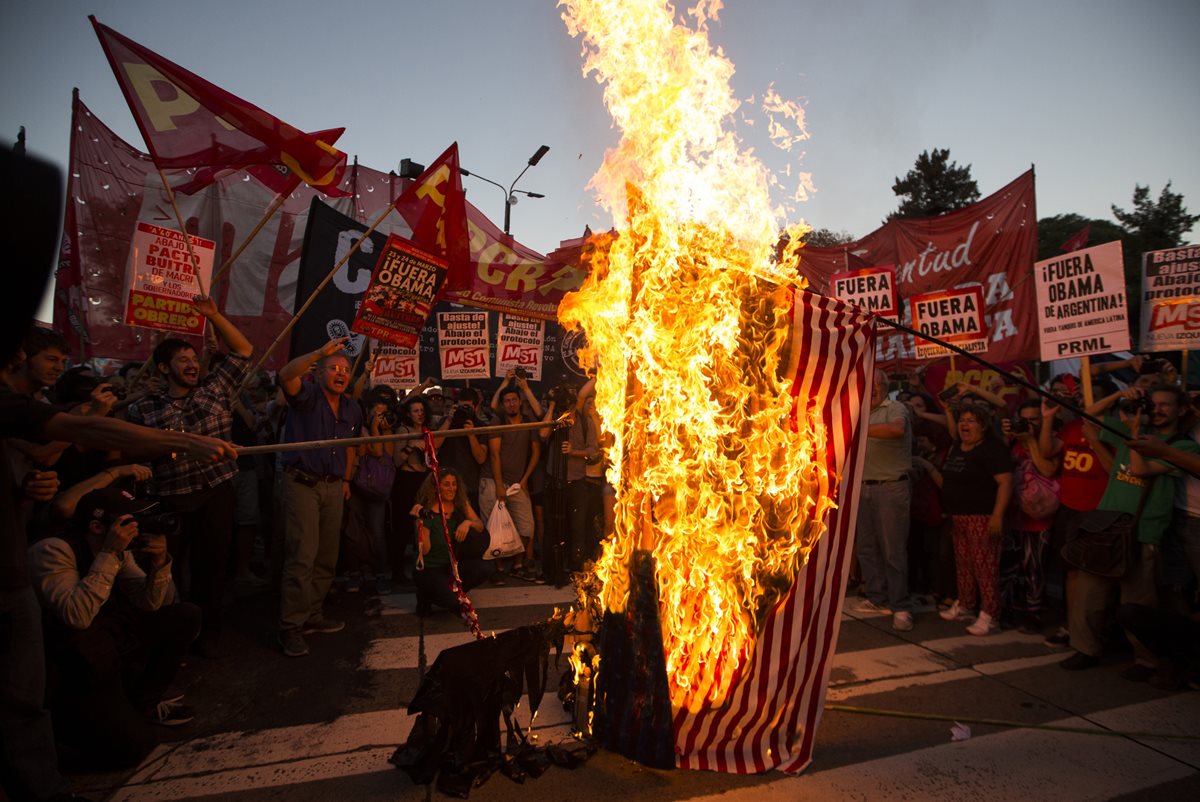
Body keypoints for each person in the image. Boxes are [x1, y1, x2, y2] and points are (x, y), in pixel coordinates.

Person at [29, 487, 201, 768]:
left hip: (107, 645)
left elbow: (150, 604)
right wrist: (109, 553)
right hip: (73, 665)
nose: (135, 528)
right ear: (97, 526)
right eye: (128, 522)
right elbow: (77, 616)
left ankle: (141, 703)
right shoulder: (52, 551)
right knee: (134, 749)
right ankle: (59, 744)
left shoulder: (119, 551)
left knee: (185, 615)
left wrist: (160, 563)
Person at [126, 295, 252, 658]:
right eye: (182, 360)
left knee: (210, 568)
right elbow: (135, 453)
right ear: (163, 369)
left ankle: (208, 633)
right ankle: (171, 635)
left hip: (215, 493)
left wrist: (215, 315)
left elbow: (243, 350)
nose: (192, 364)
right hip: (171, 496)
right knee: (165, 567)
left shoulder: (216, 391)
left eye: (193, 358)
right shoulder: (143, 408)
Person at [1060, 384, 1200, 675]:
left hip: (1143, 531)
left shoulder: (1182, 446)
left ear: (1181, 410)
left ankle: (1145, 660)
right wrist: (1120, 397)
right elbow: (1087, 415)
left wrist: (1134, 432)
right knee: (1090, 594)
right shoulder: (1131, 429)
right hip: (1107, 526)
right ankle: (1085, 649)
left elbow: (1139, 469)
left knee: (1138, 601)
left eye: (1165, 405)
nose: (1157, 410)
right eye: (1153, 403)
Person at [276, 338, 363, 658]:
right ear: (319, 372)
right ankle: (291, 626)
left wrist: (346, 480)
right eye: (334, 368)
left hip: (333, 485)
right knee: (302, 555)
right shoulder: (307, 395)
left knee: (327, 555)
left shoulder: (353, 407)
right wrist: (317, 351)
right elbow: (285, 375)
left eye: (345, 369)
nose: (340, 374)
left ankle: (313, 613)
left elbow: (350, 445)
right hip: (302, 483)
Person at [937, 402, 1013, 635]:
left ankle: (990, 614)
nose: (964, 425)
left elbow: (1005, 483)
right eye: (962, 420)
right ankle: (967, 604)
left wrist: (997, 516)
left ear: (983, 426)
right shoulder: (958, 446)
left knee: (984, 566)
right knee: (964, 564)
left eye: (970, 421)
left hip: (983, 517)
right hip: (958, 516)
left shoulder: (992, 449)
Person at [854, 369, 916, 631]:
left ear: (886, 386)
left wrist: (859, 428)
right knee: (866, 547)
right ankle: (877, 597)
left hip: (890, 488)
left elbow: (896, 430)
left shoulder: (896, 408)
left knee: (893, 549)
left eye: (878, 385)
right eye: (870, 385)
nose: (874, 389)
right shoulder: (859, 411)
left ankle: (900, 606)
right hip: (863, 488)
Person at [1000, 399, 1059, 630]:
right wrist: (1008, 438)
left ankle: (1035, 614)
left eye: (1034, 419)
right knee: (1012, 566)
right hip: (1014, 515)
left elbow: (1048, 469)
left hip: (1039, 517)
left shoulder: (1050, 441)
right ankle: (1012, 609)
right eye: (1023, 419)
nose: (1028, 423)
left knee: (1035, 568)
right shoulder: (1014, 441)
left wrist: (1031, 441)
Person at [411, 468, 493, 615]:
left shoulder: (460, 503)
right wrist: (420, 524)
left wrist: (468, 523)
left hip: (451, 566)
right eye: (446, 484)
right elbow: (425, 551)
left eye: (454, 484)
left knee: (484, 568)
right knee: (451, 602)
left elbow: (479, 526)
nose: (452, 488)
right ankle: (426, 596)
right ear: (436, 487)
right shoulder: (428, 512)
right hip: (430, 569)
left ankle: (456, 594)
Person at [480, 385, 541, 581]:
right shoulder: (498, 420)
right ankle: (498, 569)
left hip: (517, 482)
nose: (511, 403)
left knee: (526, 526)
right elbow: (494, 454)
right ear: (503, 404)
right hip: (492, 480)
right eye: (507, 401)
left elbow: (536, 452)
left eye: (514, 400)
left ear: (520, 402)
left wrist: (524, 480)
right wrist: (499, 485)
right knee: (493, 528)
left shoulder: (528, 421)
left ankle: (518, 564)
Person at [346, 398, 395, 594]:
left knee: (377, 532)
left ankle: (380, 574)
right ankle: (354, 573)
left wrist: (379, 429)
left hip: (377, 488)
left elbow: (384, 454)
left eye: (383, 413)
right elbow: (374, 451)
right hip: (357, 484)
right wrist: (373, 427)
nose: (380, 417)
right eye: (377, 412)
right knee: (353, 530)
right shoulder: (358, 428)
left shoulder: (387, 431)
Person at [390, 395, 433, 586]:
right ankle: (397, 572)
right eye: (416, 411)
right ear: (408, 414)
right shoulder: (403, 430)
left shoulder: (427, 430)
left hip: (424, 480)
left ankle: (423, 568)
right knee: (403, 527)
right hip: (406, 482)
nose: (419, 414)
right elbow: (396, 461)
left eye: (422, 411)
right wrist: (411, 447)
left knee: (423, 526)